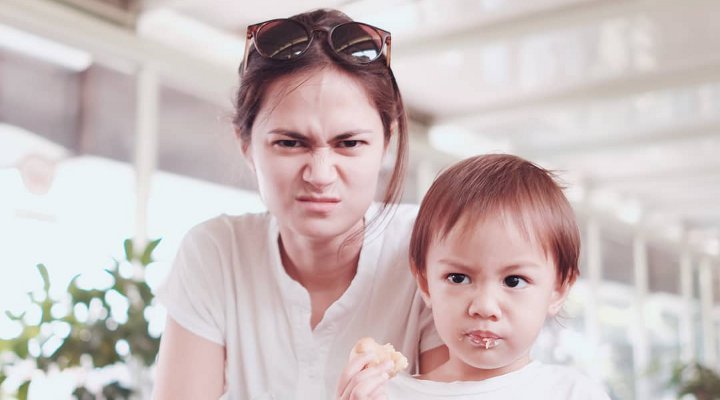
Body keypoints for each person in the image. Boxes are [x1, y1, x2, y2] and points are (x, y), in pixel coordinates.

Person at [152, 8, 446, 400]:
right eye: (290, 143)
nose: (320, 175)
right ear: (246, 145)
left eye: (349, 143)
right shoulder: (217, 253)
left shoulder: (432, 250)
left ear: (386, 143)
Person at [344, 154, 610, 399]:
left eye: (513, 281)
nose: (484, 307)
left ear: (558, 290)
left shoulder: (573, 393)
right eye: (458, 278)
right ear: (425, 283)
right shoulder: (385, 394)